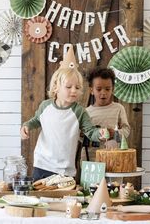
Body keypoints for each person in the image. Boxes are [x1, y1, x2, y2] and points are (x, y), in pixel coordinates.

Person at [20, 46, 108, 181]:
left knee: (62, 200)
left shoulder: (79, 112)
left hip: (65, 169)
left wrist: (100, 134)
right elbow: (36, 120)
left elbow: (90, 132)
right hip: (42, 164)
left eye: (77, 87)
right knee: (40, 197)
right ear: (56, 87)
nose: (74, 91)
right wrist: (26, 126)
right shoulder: (46, 106)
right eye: (68, 87)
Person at [81, 67, 130, 162]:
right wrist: (82, 135)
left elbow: (126, 129)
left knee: (114, 176)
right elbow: (80, 136)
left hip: (114, 157)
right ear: (91, 90)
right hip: (90, 158)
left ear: (113, 89)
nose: (103, 93)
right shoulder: (86, 112)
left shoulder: (118, 108)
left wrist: (115, 133)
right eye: (98, 89)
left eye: (107, 89)